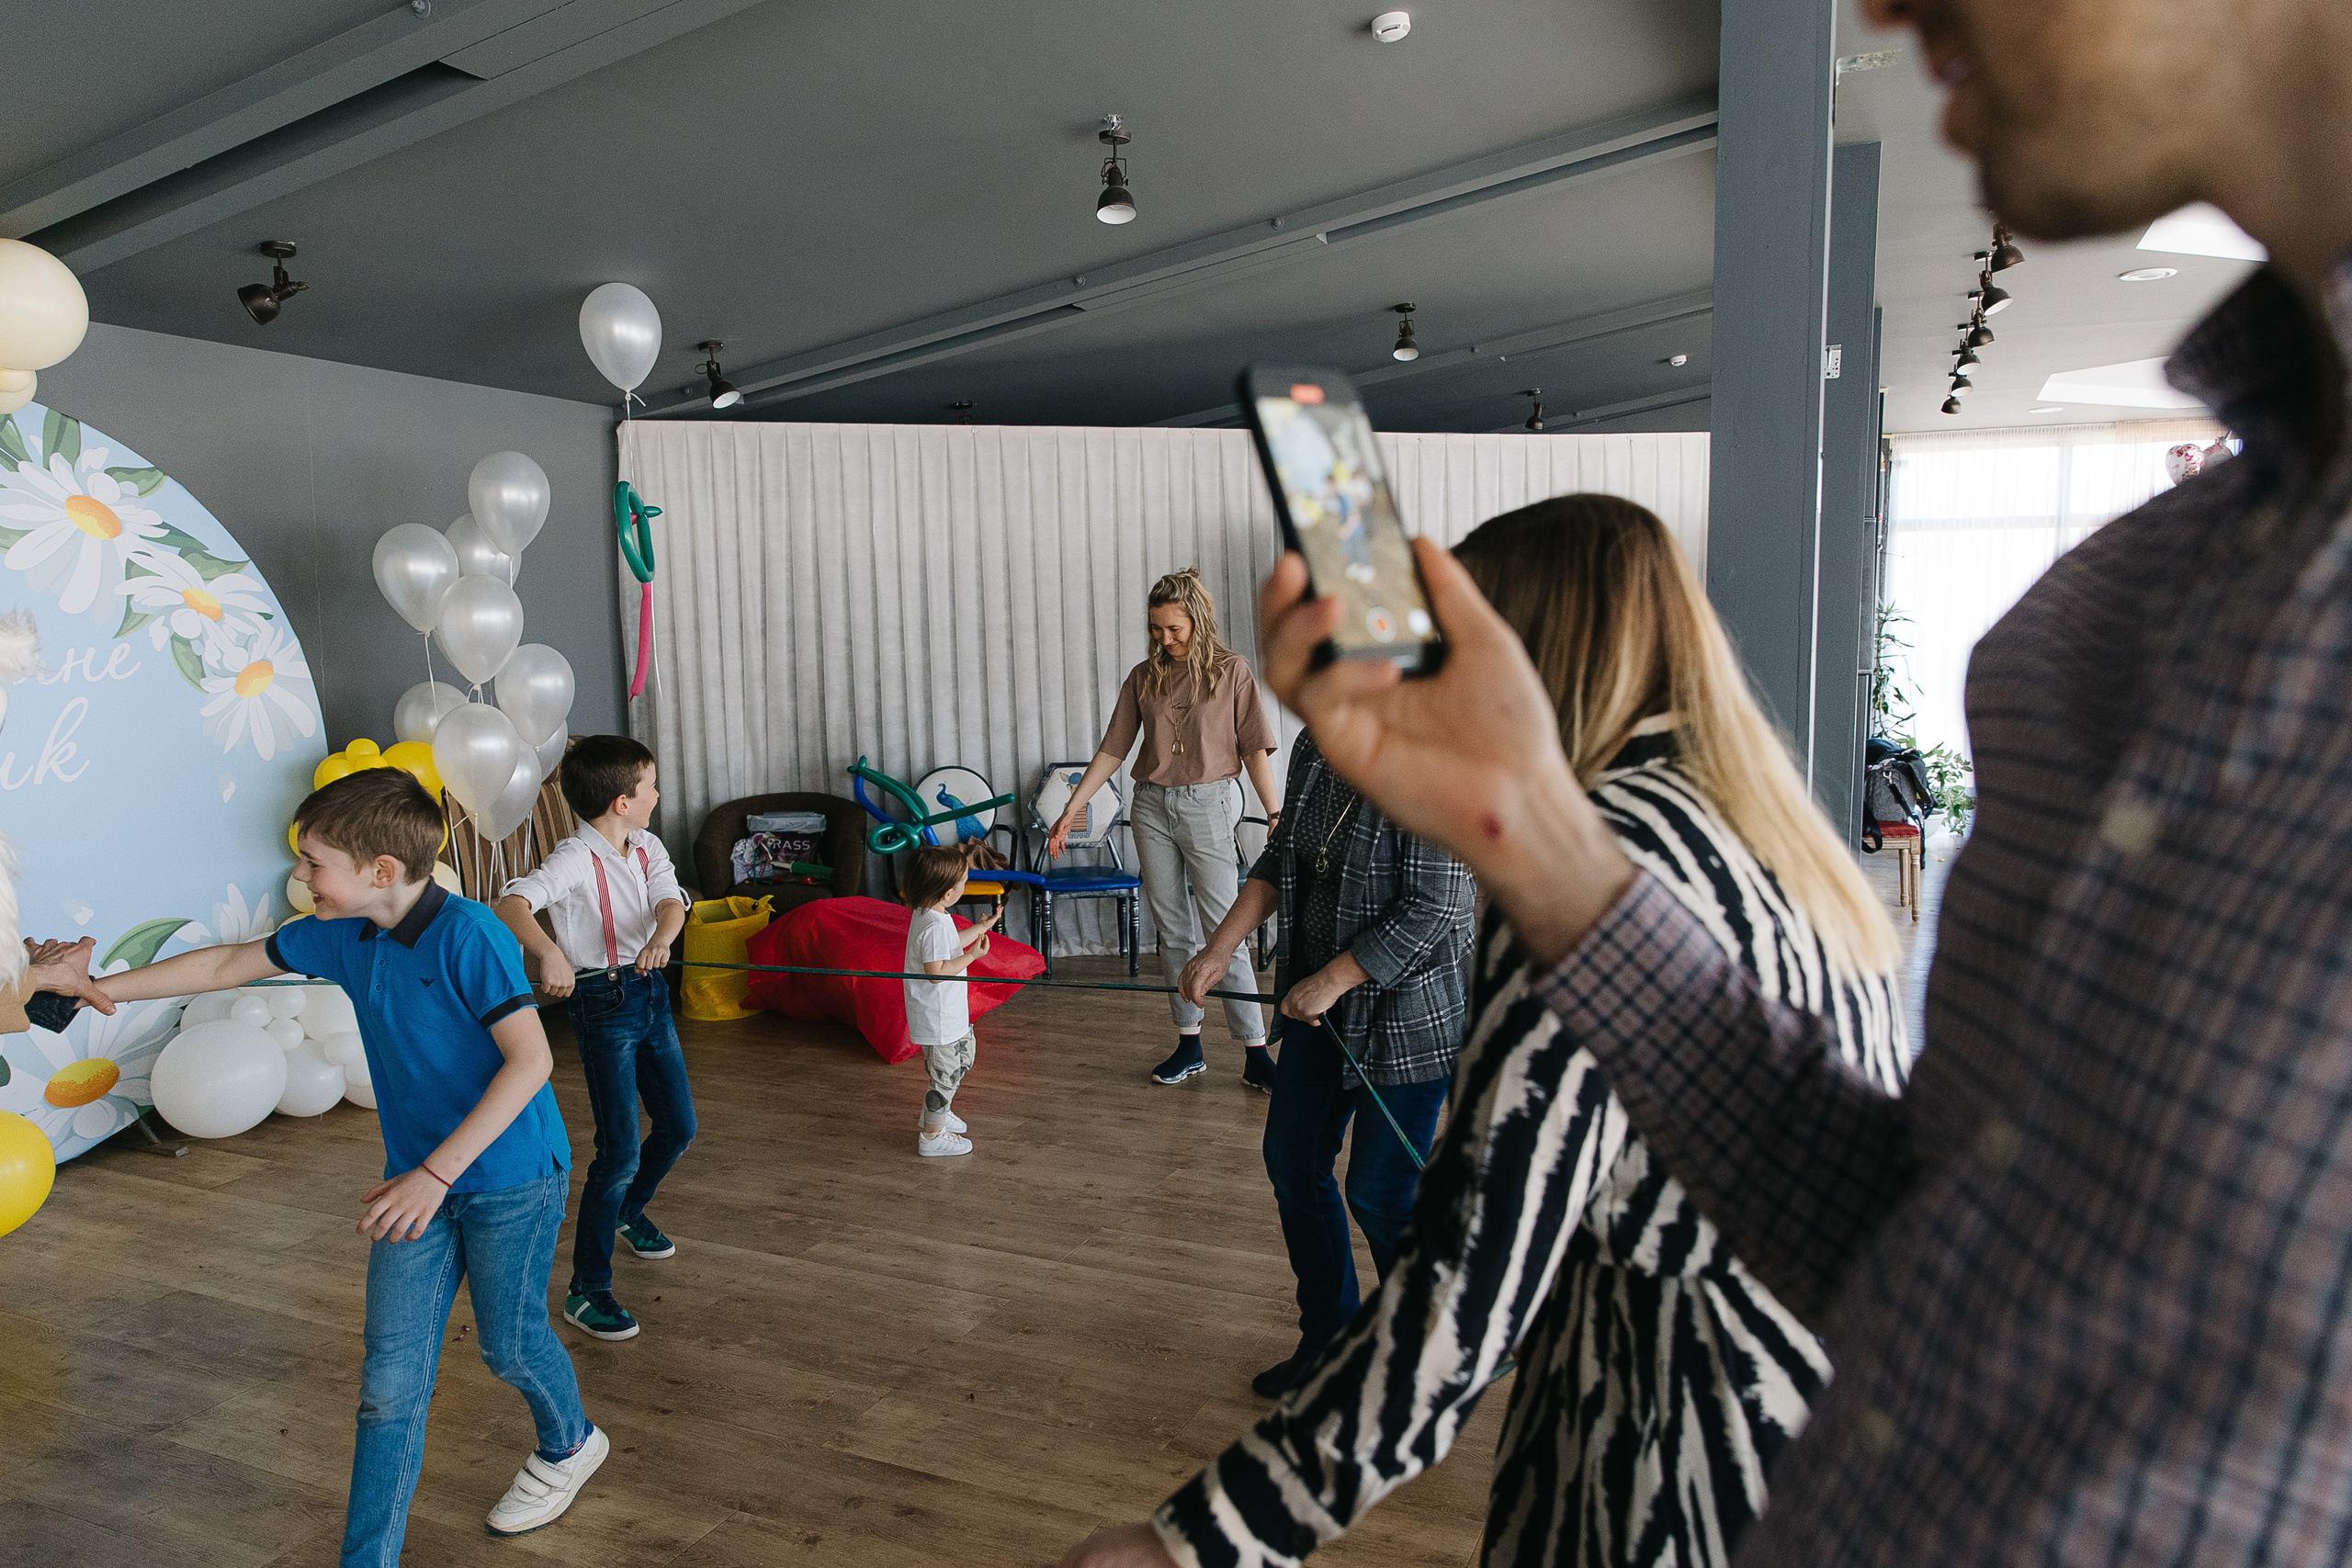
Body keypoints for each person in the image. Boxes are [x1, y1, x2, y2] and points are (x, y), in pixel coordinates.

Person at [1213, 4, 2352, 1552]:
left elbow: (1461, 1297)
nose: (1871, 10)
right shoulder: (2113, 622)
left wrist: (1215, 1531)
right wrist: (1533, 832)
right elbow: (1936, 1253)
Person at [1060, 496, 1907, 1568]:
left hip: (1664, 1475)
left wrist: (1203, 1541)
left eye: (1446, 641)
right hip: (1807, 1446)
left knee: (1381, 1192)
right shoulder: (1744, 820)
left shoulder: (1598, 868)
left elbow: (1472, 1279)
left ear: (1521, 657)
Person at [93, 768, 606, 1563]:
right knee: (387, 1387)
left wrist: (435, 1173)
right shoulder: (345, 933)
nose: (301, 876)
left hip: (509, 1178)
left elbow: (531, 1061)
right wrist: (98, 989)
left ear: (380, 872)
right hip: (416, 1188)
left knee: (508, 1344)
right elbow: (229, 965)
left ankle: (571, 1442)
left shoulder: (471, 935)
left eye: (313, 862)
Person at [1176, 727, 1473, 1400]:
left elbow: (1437, 904)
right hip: (1316, 1003)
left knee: (1380, 1192)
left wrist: (1337, 978)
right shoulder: (1316, 744)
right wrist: (1222, 948)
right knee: (1292, 1160)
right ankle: (1330, 1338)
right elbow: (1283, 856)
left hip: (1405, 1016)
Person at [1046, 568, 1283, 1088]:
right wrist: (1072, 809)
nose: (1165, 639)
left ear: (1197, 620)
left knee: (1227, 929)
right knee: (1173, 929)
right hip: (1150, 806)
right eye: (1157, 629)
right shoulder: (1143, 676)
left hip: (1207, 804)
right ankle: (1189, 1043)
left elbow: (1253, 749)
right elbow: (1113, 749)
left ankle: (1256, 1053)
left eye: (1174, 629)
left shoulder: (1232, 671)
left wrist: (1274, 812)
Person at [495, 734, 693, 1345]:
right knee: (618, 1152)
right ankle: (586, 1290)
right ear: (621, 801)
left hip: (651, 993)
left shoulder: (646, 845)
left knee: (679, 1126)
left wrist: (662, 938)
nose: (658, 793)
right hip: (603, 1003)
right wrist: (550, 953)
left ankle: (629, 1213)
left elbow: (671, 901)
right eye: (650, 784)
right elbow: (512, 903)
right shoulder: (574, 857)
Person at [900, 843, 994, 1157]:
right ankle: (931, 1136)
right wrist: (972, 956)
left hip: (948, 1012)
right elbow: (937, 972)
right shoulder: (933, 927)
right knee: (944, 1074)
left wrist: (980, 928)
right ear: (947, 893)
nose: (965, 886)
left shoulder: (931, 915)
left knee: (963, 1057)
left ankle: (936, 1113)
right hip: (937, 1016)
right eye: (963, 882)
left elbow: (947, 946)